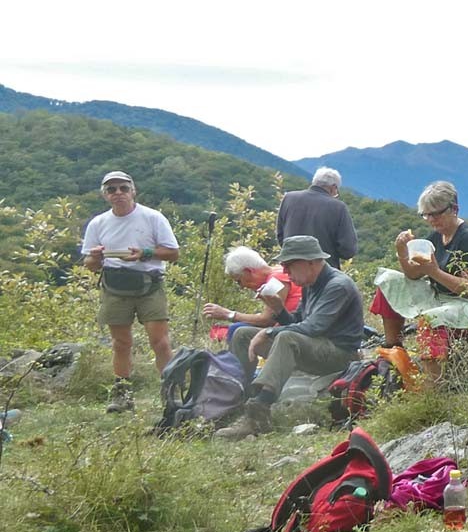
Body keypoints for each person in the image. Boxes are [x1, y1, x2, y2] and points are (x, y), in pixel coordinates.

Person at [214, 236, 364, 440]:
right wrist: (278, 309)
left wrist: (268, 332)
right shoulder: (311, 282)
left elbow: (313, 327)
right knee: (242, 334)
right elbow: (297, 320)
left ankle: (258, 413)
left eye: (289, 266)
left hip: (339, 354)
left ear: (309, 262)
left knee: (286, 338)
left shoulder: (337, 285)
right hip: (314, 347)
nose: (285, 272)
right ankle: (241, 399)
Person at [369, 181, 468, 388]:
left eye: (436, 214)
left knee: (432, 317)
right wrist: (402, 252)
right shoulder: (436, 237)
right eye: (426, 215)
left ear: (454, 209)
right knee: (388, 282)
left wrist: (434, 272)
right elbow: (412, 275)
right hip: (442, 296)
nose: (430, 220)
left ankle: (433, 385)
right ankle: (393, 348)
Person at [80, 171, 180, 413]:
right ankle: (122, 395)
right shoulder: (98, 223)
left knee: (160, 341)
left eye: (123, 188)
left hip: (150, 284)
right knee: (120, 342)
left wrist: (145, 253)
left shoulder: (153, 218)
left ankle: (170, 393)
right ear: (105, 195)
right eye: (112, 190)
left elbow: (173, 252)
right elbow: (89, 265)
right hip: (115, 286)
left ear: (133, 190)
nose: (118, 194)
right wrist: (95, 257)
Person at [200, 246, 303, 331]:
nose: (242, 286)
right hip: (290, 327)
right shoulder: (277, 272)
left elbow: (267, 320)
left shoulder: (276, 280)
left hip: (291, 330)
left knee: (238, 330)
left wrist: (228, 314)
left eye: (239, 281)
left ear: (249, 271)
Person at [277, 167, 357, 268]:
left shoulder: (289, 198)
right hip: (322, 273)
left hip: (291, 269)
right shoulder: (338, 207)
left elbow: (281, 236)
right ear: (333, 187)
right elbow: (348, 250)